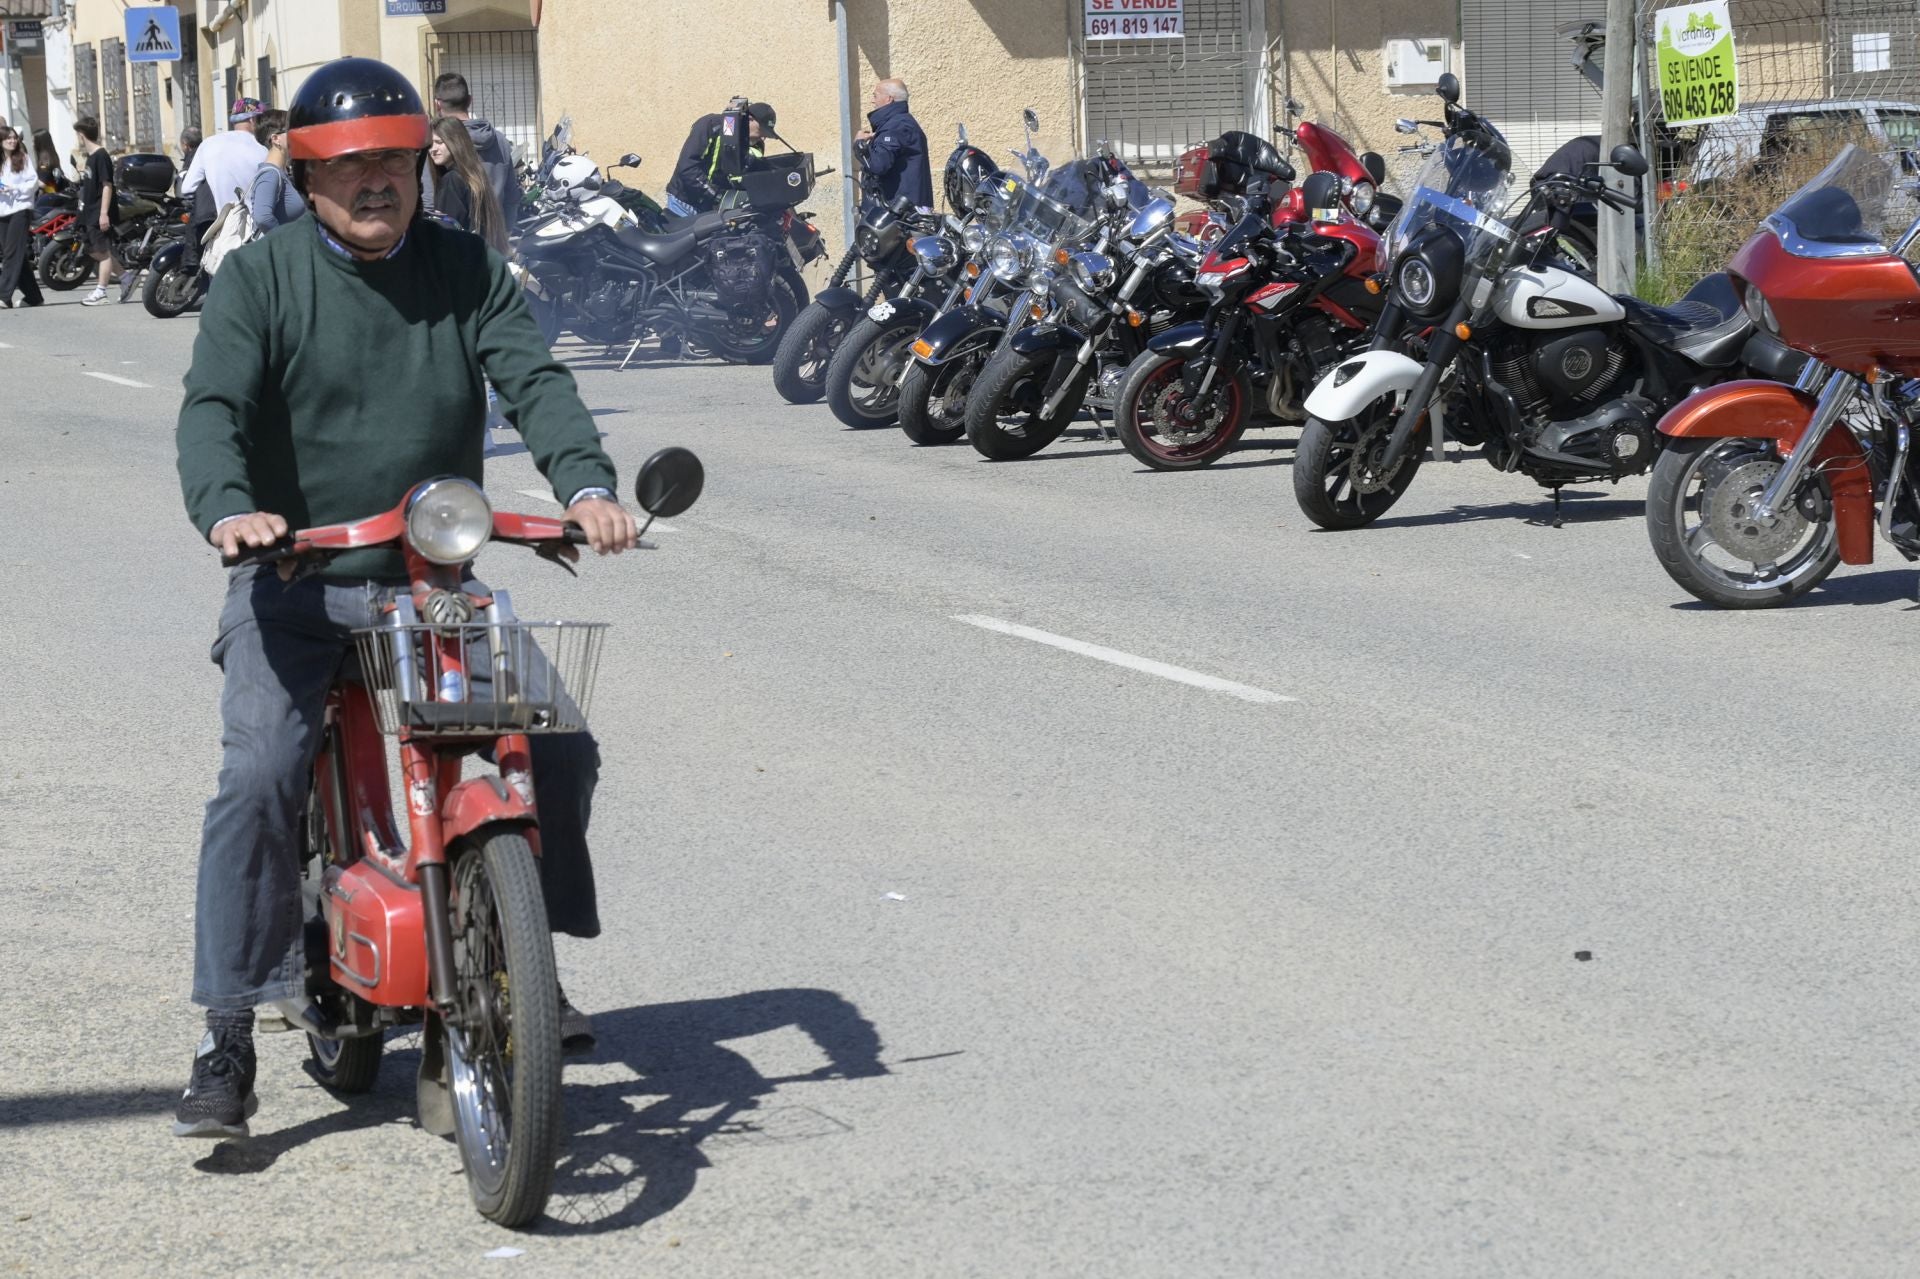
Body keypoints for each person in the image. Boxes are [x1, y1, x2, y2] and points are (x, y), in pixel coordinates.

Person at [171, 56, 635, 1140]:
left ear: (422, 166)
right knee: (261, 776)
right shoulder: (263, 278)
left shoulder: (464, 268)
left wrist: (587, 484)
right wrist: (232, 508)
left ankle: (523, 956)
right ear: (307, 173)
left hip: (431, 583)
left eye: (393, 161)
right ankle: (228, 1025)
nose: (375, 183)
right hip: (296, 580)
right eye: (349, 166)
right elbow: (213, 409)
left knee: (557, 747)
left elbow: (536, 379)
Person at [179, 98, 267, 273]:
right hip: (253, 235)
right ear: (252, 120)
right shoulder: (263, 151)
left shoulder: (209, 144)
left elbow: (187, 188)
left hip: (220, 234)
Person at [423, 72, 519, 231]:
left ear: (437, 104)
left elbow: (428, 201)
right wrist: (505, 236)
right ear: (469, 100)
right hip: (494, 240)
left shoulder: (434, 142)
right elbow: (511, 196)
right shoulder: (500, 140)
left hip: (456, 242)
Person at [665, 100, 774, 216]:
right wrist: (716, 195)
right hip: (683, 203)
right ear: (750, 119)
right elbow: (687, 167)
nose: (763, 138)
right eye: (762, 131)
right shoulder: (710, 125)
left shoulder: (753, 144)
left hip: (710, 208)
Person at [427, 116, 506, 252]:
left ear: (455, 142)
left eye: (439, 142)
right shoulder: (474, 175)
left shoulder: (452, 180)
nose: (433, 149)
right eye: (430, 143)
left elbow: (447, 234)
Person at [855, 78, 932, 210]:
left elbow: (878, 165)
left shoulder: (896, 126)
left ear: (889, 99)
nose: (872, 101)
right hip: (900, 210)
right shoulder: (899, 123)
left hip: (899, 214)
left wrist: (859, 144)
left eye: (875, 96)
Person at [74, 116, 118, 306]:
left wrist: (103, 213)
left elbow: (107, 185)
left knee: (103, 252)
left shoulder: (101, 156)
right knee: (93, 250)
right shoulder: (91, 157)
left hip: (99, 212)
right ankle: (126, 276)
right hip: (89, 212)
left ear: (81, 135)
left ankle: (101, 291)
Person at [0, 127, 44, 308]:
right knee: (14, 254)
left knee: (12, 253)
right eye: (8, 138)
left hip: (20, 209)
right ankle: (34, 296)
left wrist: (15, 189)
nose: (12, 141)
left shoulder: (23, 158)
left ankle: (4, 295)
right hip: (3, 211)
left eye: (14, 138)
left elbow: (33, 182)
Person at [246, 109, 305, 233]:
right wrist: (283, 243)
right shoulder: (270, 175)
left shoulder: (281, 173)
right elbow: (263, 218)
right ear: (276, 139)